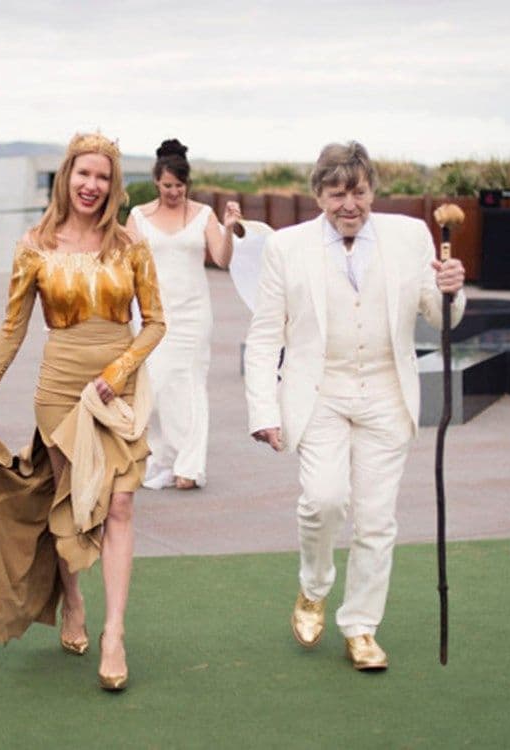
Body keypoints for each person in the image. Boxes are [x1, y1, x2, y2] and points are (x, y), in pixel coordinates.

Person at [0, 133, 165, 691]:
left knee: (119, 505)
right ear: (65, 179)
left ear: (113, 185)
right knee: (71, 505)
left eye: (102, 177)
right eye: (83, 175)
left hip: (115, 393)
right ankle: (72, 600)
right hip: (59, 394)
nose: (92, 186)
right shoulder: (34, 246)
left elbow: (157, 324)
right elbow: (12, 330)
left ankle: (114, 633)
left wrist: (117, 374)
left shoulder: (131, 246)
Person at [243, 141, 466, 671]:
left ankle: (361, 625)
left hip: (387, 395)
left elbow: (441, 316)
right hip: (318, 392)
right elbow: (264, 334)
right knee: (323, 501)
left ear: (372, 191)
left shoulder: (410, 236)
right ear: (319, 194)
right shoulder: (287, 248)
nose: (350, 204)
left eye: (359, 192)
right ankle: (314, 587)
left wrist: (452, 290)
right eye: (338, 193)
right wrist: (263, 410)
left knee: (375, 518)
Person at [126, 138, 242, 490]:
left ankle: (190, 467)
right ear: (156, 183)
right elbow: (127, 266)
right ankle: (163, 457)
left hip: (193, 312)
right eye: (166, 186)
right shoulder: (138, 216)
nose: (173, 192)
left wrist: (230, 229)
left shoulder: (203, 214)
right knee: (156, 387)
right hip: (151, 313)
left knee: (189, 384)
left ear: (186, 184)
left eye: (178, 185)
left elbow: (221, 258)